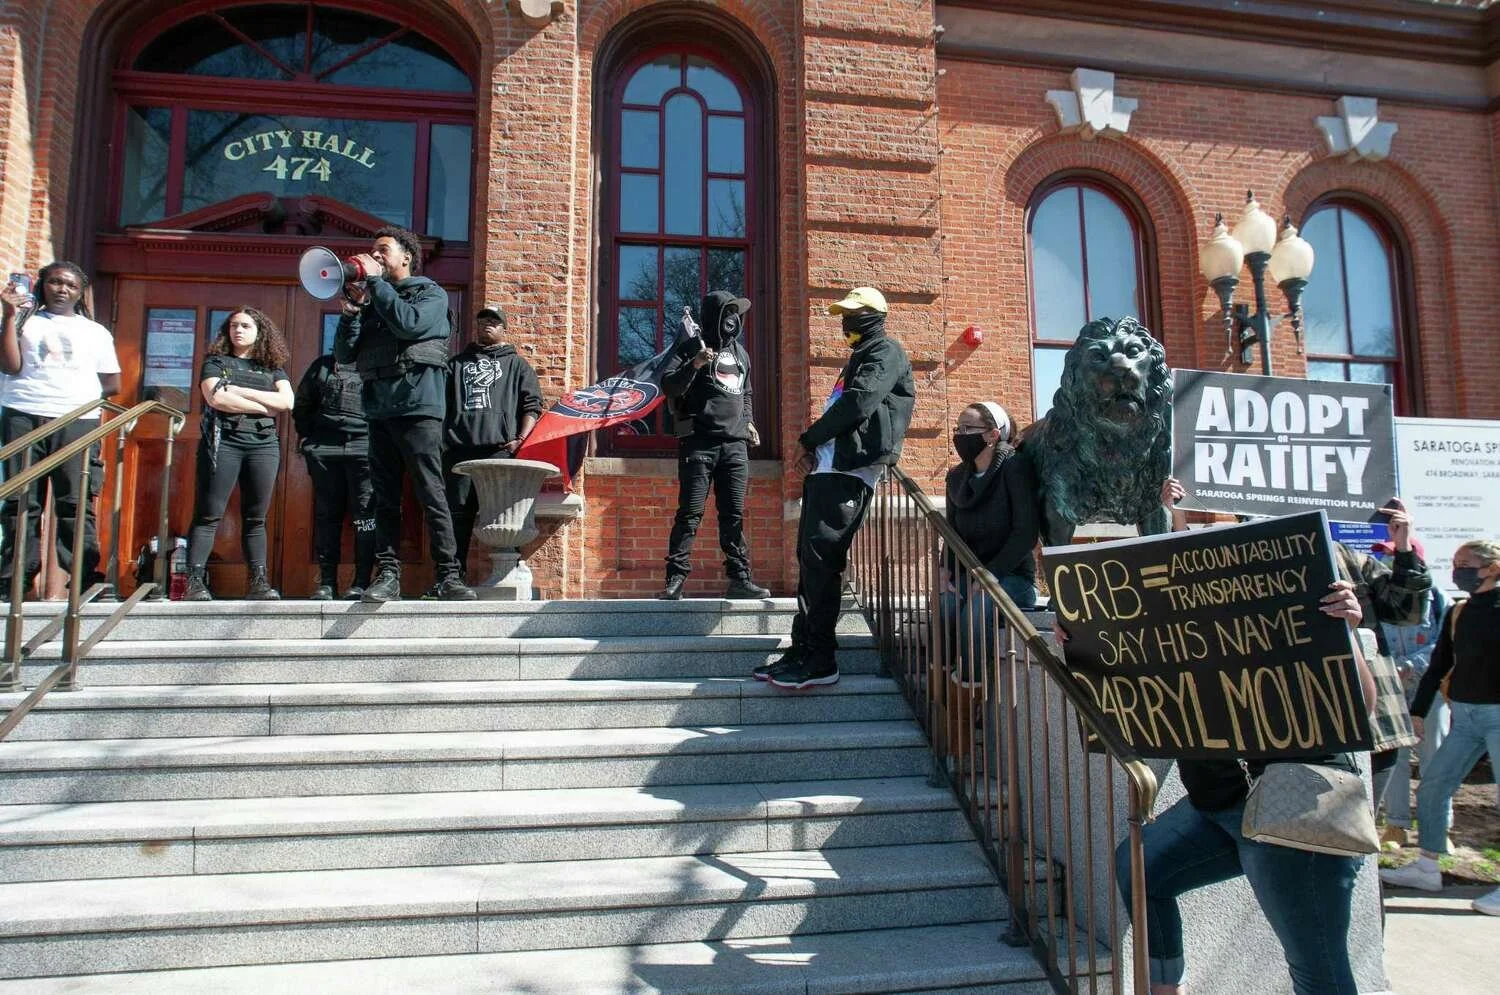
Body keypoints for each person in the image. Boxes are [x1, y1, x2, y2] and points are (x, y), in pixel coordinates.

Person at [1110, 478, 1380, 995]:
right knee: (1141, 865)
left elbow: (1359, 707)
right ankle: (1164, 986)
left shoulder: (1307, 613)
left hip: (1295, 805)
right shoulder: (1190, 631)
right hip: (1219, 802)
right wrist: (1085, 642)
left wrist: (1344, 631)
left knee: (1316, 968)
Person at [755, 286, 914, 690]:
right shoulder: (858, 358)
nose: (846, 322)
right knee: (810, 564)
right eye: (843, 314)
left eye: (853, 314)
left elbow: (859, 403)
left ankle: (821, 658)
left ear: (875, 316)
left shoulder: (886, 351)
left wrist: (808, 439)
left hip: (850, 474)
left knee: (823, 564)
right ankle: (803, 647)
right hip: (829, 472)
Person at [334, 225, 473, 602]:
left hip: (419, 408)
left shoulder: (429, 293)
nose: (374, 256)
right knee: (384, 498)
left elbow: (409, 325)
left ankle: (448, 575)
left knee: (431, 491)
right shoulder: (373, 300)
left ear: (406, 257)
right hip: (378, 410)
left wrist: (376, 287)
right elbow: (345, 356)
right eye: (371, 251)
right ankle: (388, 575)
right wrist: (350, 315)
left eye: (383, 250)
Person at [1380, 539, 1500, 917]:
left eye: (1466, 563)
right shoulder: (1460, 612)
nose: (1457, 569)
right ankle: (1428, 866)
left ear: (1492, 569)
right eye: (1456, 562)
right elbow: (1438, 665)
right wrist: (1417, 711)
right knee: (1433, 786)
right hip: (1464, 715)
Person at [0, 263, 121, 597]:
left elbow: (112, 383)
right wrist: (9, 315)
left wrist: (76, 396)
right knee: (21, 500)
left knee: (76, 500)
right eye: (54, 282)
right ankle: (15, 577)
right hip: (23, 414)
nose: (61, 289)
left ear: (80, 292)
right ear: (42, 285)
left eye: (69, 284)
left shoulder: (95, 332)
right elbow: (10, 365)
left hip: (75, 420)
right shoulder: (25, 321)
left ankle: (84, 575)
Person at [657, 290, 771, 601]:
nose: (733, 320)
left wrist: (749, 422)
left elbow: (745, 393)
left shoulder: (742, 354)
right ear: (713, 316)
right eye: (727, 313)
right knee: (690, 513)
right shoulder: (692, 346)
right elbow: (668, 385)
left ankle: (739, 578)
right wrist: (694, 364)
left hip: (735, 445)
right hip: (699, 443)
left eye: (737, 314)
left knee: (733, 514)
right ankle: (675, 580)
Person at [184, 308, 294, 601]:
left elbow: (286, 401)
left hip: (263, 445)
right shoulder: (216, 363)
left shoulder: (272, 367)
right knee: (209, 514)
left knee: (256, 516)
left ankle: (258, 583)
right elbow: (216, 397)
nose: (239, 330)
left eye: (246, 325)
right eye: (233, 325)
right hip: (224, 442)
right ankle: (194, 582)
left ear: (260, 331)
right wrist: (262, 406)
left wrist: (241, 392)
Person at [444, 304, 544, 571]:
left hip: (500, 451)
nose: (488, 324)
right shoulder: (455, 365)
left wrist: (520, 440)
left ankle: (507, 573)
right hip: (459, 451)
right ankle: (451, 576)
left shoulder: (518, 365)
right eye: (483, 320)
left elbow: (532, 405)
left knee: (505, 513)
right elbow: (441, 406)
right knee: (456, 516)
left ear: (504, 328)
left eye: (494, 321)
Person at [1369, 536, 1450, 846]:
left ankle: (1438, 829)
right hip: (1392, 689)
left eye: (1392, 555)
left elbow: (1443, 645)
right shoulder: (1381, 595)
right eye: (1385, 557)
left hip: (1429, 689)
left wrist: (1410, 667)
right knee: (1395, 758)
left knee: (1434, 757)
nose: (1387, 563)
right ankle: (1396, 825)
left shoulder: (1437, 596)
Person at [292, 346, 374, 600]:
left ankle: (362, 582)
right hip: (325, 449)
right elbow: (302, 404)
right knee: (327, 515)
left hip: (365, 448)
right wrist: (311, 439)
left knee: (366, 516)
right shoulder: (323, 365)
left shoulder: (376, 365)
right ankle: (327, 582)